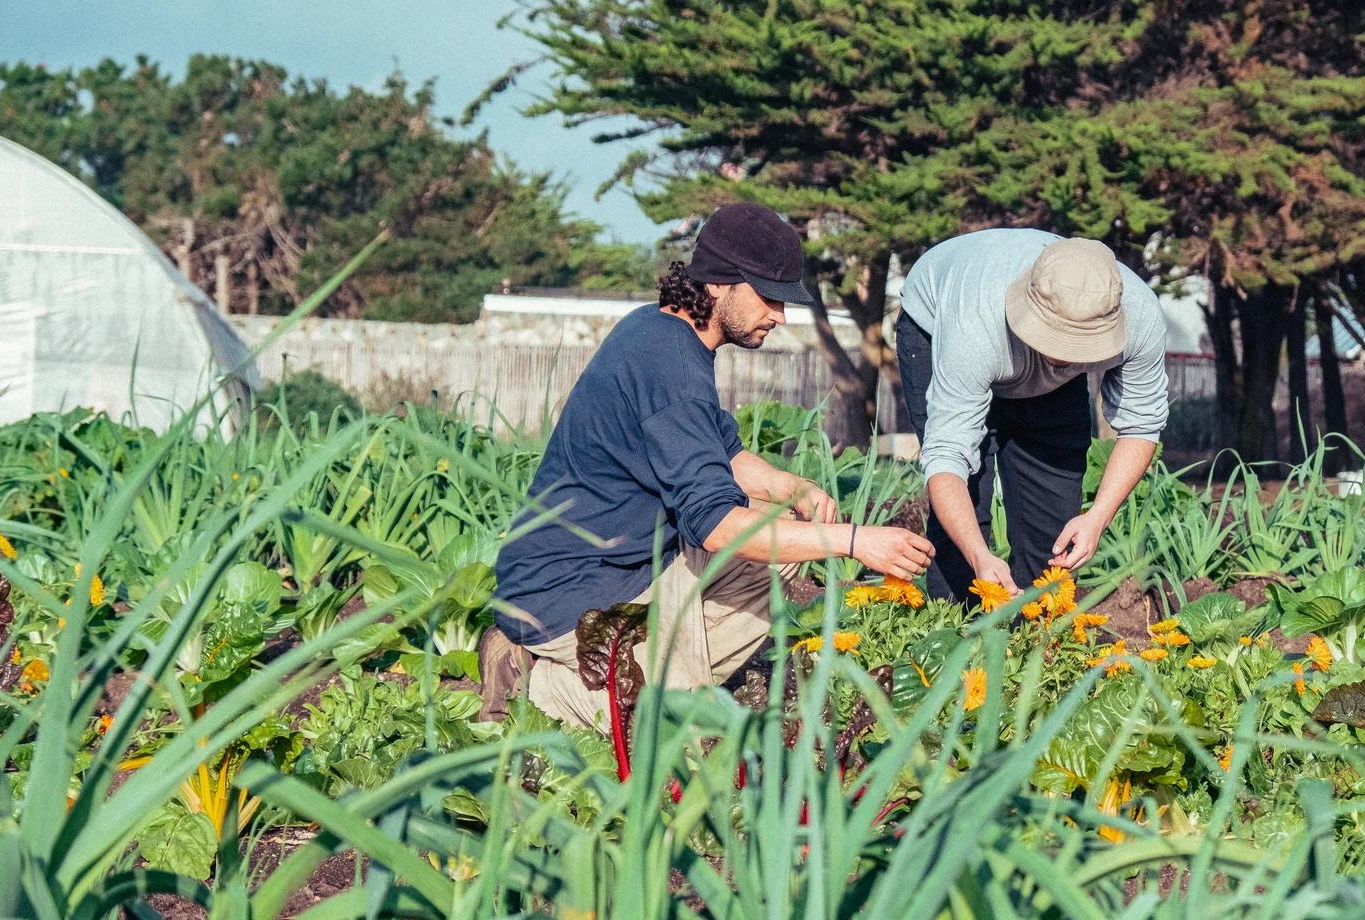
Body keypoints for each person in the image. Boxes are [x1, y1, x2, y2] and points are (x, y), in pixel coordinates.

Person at [483, 202, 934, 728]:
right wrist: (857, 541)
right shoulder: (670, 365)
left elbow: (724, 453)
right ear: (720, 283)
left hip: (622, 567)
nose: (780, 316)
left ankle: (656, 666)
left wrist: (792, 487)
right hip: (563, 593)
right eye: (770, 297)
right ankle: (537, 681)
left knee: (782, 543)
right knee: (671, 726)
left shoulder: (661, 332)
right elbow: (717, 526)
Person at [896, 229, 1168, 602]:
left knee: (1053, 533)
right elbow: (946, 456)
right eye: (1055, 339)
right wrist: (979, 555)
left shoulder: (1141, 318)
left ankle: (1038, 645)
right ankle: (958, 639)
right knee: (968, 510)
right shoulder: (974, 326)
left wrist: (1098, 517)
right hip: (936, 321)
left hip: (1008, 350)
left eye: (1079, 344)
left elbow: (1142, 423)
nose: (1062, 356)